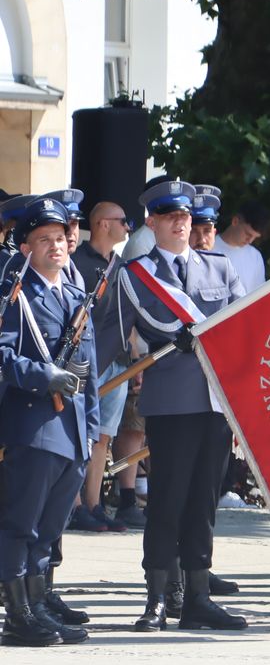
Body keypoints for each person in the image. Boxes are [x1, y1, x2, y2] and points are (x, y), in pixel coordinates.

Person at [110, 180, 249, 631]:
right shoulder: (136, 274)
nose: (180, 221)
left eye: (186, 215)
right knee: (167, 500)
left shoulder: (220, 267)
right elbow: (115, 336)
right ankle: (156, 599)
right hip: (170, 403)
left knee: (204, 504)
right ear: (151, 222)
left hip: (214, 402)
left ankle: (198, 598)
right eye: (170, 215)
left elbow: (241, 327)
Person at [0, 197, 99, 646]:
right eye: (44, 239)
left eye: (60, 238)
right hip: (35, 425)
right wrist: (45, 376)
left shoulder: (77, 297)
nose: (56, 246)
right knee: (21, 523)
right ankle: (17, 615)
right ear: (26, 248)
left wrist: (92, 429)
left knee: (50, 528)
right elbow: (2, 356)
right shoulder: (16, 296)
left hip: (73, 432)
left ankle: (39, 606)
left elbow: (89, 373)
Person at [69, 201, 140, 532]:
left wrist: (136, 360)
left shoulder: (122, 266)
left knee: (103, 438)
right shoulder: (76, 263)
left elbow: (131, 318)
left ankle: (94, 504)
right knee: (79, 435)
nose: (128, 227)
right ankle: (75, 504)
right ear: (101, 224)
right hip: (86, 363)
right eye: (122, 221)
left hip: (118, 362)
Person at [211, 200, 270, 292]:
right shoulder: (208, 249)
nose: (250, 241)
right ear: (235, 221)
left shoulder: (255, 256)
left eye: (255, 237)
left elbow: (258, 295)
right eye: (248, 234)